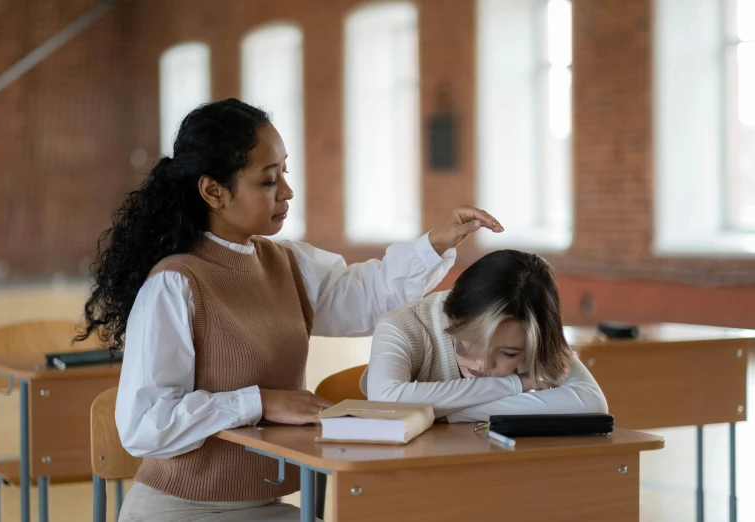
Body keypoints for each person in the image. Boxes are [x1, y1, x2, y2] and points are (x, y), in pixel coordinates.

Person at [75, 98, 503, 521]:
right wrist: (258, 402)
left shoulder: (284, 263)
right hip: (182, 510)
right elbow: (145, 423)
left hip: (266, 508)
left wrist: (436, 243)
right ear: (213, 191)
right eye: (268, 180)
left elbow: (366, 297)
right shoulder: (175, 284)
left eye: (285, 173)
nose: (287, 192)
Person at [362, 249, 608, 422]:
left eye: (509, 354)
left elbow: (592, 403)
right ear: (452, 318)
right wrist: (515, 383)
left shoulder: (531, 328)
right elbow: (386, 401)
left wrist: (450, 414)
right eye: (472, 343)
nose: (482, 364)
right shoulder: (402, 326)